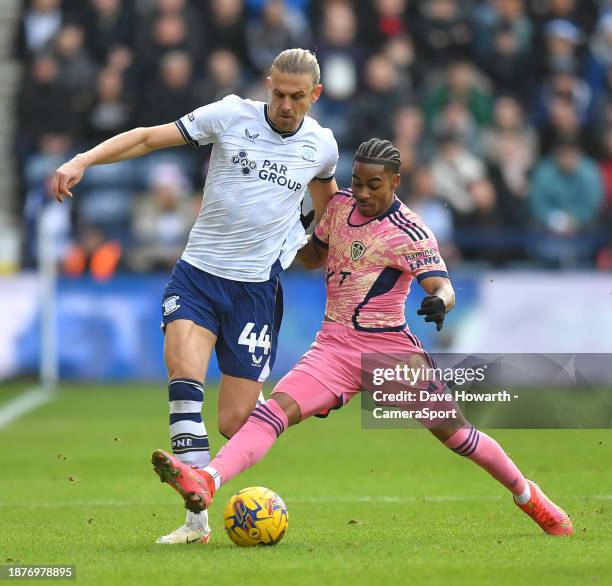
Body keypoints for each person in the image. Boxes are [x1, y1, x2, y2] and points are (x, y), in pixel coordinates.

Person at [151, 138, 573, 537]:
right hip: (333, 348)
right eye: (357, 182)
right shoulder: (337, 209)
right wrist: (286, 233)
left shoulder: (409, 230)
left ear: (395, 182)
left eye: (374, 185)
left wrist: (441, 303)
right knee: (272, 413)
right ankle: (206, 480)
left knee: (459, 436)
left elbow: (443, 284)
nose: (364, 193)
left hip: (389, 352)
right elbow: (315, 256)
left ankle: (528, 495)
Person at [51, 48, 339, 544]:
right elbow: (146, 138)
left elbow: (328, 206)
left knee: (235, 422)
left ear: (315, 96)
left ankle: (289, 406)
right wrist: (83, 160)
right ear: (267, 84)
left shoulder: (322, 146)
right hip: (198, 278)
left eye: (297, 97)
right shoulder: (230, 116)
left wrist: (318, 246)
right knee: (184, 376)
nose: (286, 105)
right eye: (278, 93)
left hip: (255, 292)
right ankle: (196, 522)